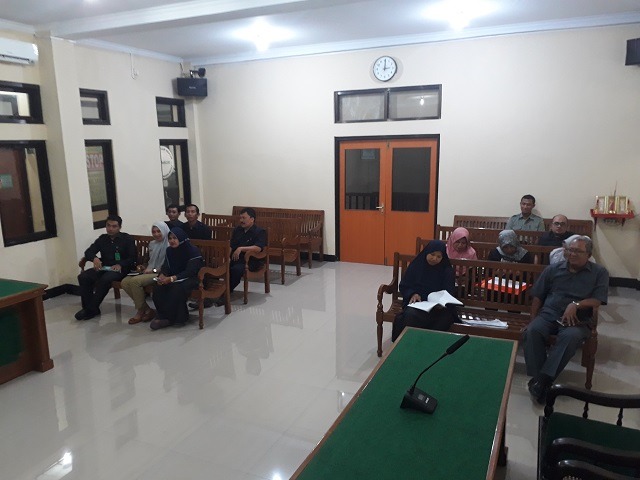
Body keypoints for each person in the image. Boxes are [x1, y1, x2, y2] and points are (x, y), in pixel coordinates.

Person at [523, 236, 608, 404]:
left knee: (570, 337)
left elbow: (598, 300)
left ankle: (541, 382)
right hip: (549, 314)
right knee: (532, 331)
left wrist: (576, 304)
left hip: (578, 319)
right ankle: (542, 381)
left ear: (589, 254)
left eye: (577, 251)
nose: (572, 254)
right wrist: (532, 319)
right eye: (570, 250)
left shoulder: (599, 272)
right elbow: (538, 296)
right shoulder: (553, 269)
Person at [391, 241, 458, 341]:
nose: (435, 258)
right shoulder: (416, 265)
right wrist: (413, 294)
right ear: (427, 252)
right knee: (410, 315)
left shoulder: (446, 270)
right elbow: (405, 285)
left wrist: (442, 302)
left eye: (439, 256)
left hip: (438, 307)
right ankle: (410, 341)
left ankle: (428, 342)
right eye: (432, 254)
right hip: (418, 302)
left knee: (445, 319)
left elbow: (449, 291)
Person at [75, 215, 136, 320]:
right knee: (83, 277)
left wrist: (121, 264)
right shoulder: (102, 239)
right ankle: (90, 308)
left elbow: (133, 258)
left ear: (119, 227)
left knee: (105, 279)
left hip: (122, 269)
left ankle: (90, 310)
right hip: (105, 267)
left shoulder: (127, 239)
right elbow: (88, 252)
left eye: (114, 226)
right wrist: (94, 258)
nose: (110, 229)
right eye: (108, 225)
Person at [150, 228, 204, 330]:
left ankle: (177, 318)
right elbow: (166, 267)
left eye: (175, 238)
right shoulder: (169, 250)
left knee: (176, 288)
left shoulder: (192, 250)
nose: (172, 241)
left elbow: (191, 271)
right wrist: (162, 275)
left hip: (193, 278)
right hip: (175, 278)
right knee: (158, 287)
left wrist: (172, 278)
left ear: (181, 238)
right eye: (170, 238)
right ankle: (162, 316)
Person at [120, 222, 170, 325]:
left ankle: (140, 311)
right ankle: (147, 309)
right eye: (153, 232)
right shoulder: (152, 244)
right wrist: (142, 266)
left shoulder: (170, 245)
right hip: (148, 271)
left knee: (135, 282)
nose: (156, 234)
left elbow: (168, 267)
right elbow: (147, 261)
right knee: (124, 282)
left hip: (160, 274)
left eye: (159, 231)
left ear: (164, 231)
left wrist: (153, 270)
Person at [229, 207, 267, 292]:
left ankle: (226, 292)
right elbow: (231, 245)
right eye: (240, 218)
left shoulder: (260, 231)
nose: (241, 220)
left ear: (252, 219)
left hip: (251, 261)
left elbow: (258, 248)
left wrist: (241, 248)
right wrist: (226, 257)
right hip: (236, 259)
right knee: (218, 266)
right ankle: (214, 291)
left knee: (236, 270)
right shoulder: (237, 230)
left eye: (244, 218)